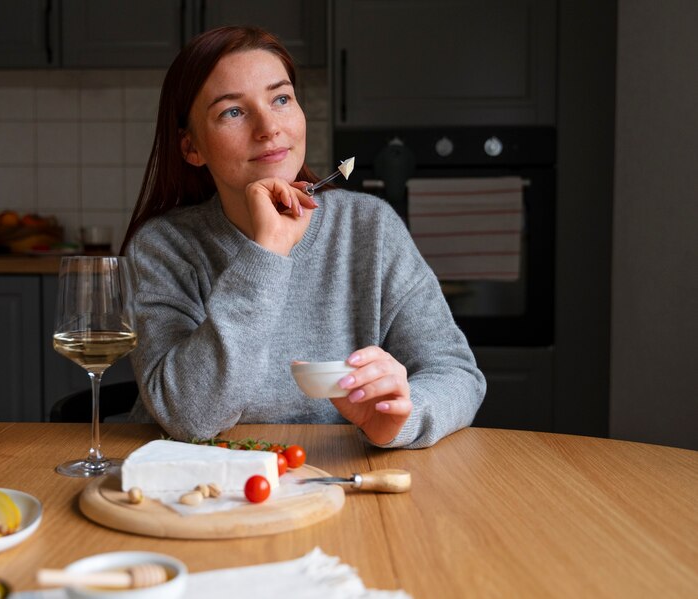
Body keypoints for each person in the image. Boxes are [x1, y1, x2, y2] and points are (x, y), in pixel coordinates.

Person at [121, 26, 485, 448]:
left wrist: (402, 416)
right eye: (233, 112)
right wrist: (267, 252)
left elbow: (456, 373)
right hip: (197, 486)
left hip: (335, 475)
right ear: (191, 148)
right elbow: (189, 418)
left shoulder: (370, 227)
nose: (268, 127)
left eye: (281, 99)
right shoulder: (163, 247)